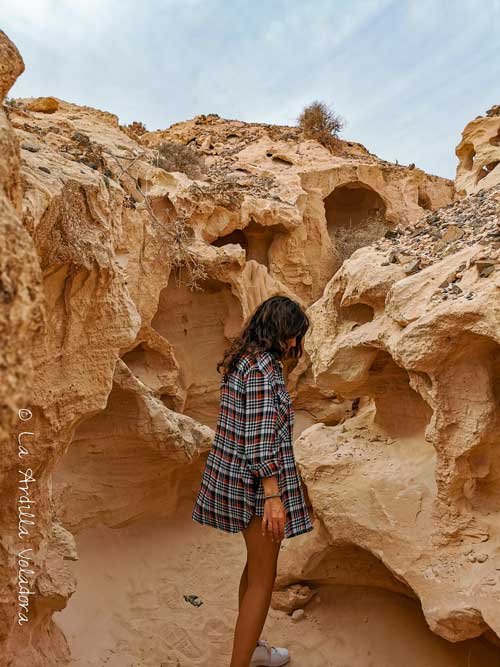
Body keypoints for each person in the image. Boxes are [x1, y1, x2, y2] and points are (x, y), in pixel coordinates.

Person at [192, 295, 314, 667]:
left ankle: (254, 649)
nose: (294, 344)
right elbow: (260, 444)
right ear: (278, 330)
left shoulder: (243, 360)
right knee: (264, 577)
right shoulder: (263, 369)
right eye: (292, 336)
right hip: (254, 485)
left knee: (255, 566)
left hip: (233, 476)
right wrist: (272, 496)